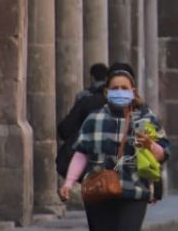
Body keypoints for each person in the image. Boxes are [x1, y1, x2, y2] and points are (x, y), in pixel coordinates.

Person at [60, 66, 170, 231]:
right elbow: (81, 153)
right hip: (98, 192)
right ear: (106, 92)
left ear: (133, 91)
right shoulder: (94, 119)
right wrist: (68, 183)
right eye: (115, 88)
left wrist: (150, 145)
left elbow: (163, 154)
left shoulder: (146, 119)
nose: (120, 92)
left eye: (124, 88)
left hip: (134, 191)